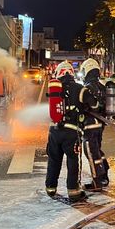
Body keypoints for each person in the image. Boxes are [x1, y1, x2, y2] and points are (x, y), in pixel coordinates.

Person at [45, 61, 98, 202]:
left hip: (54, 132)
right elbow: (94, 104)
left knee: (54, 160)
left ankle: (50, 188)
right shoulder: (80, 88)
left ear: (58, 73)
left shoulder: (55, 89)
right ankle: (73, 191)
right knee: (73, 160)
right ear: (71, 73)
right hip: (71, 132)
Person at [78, 58, 110, 191]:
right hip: (100, 125)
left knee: (91, 153)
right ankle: (104, 176)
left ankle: (97, 182)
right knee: (97, 151)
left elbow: (88, 106)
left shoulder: (87, 88)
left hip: (90, 125)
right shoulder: (102, 87)